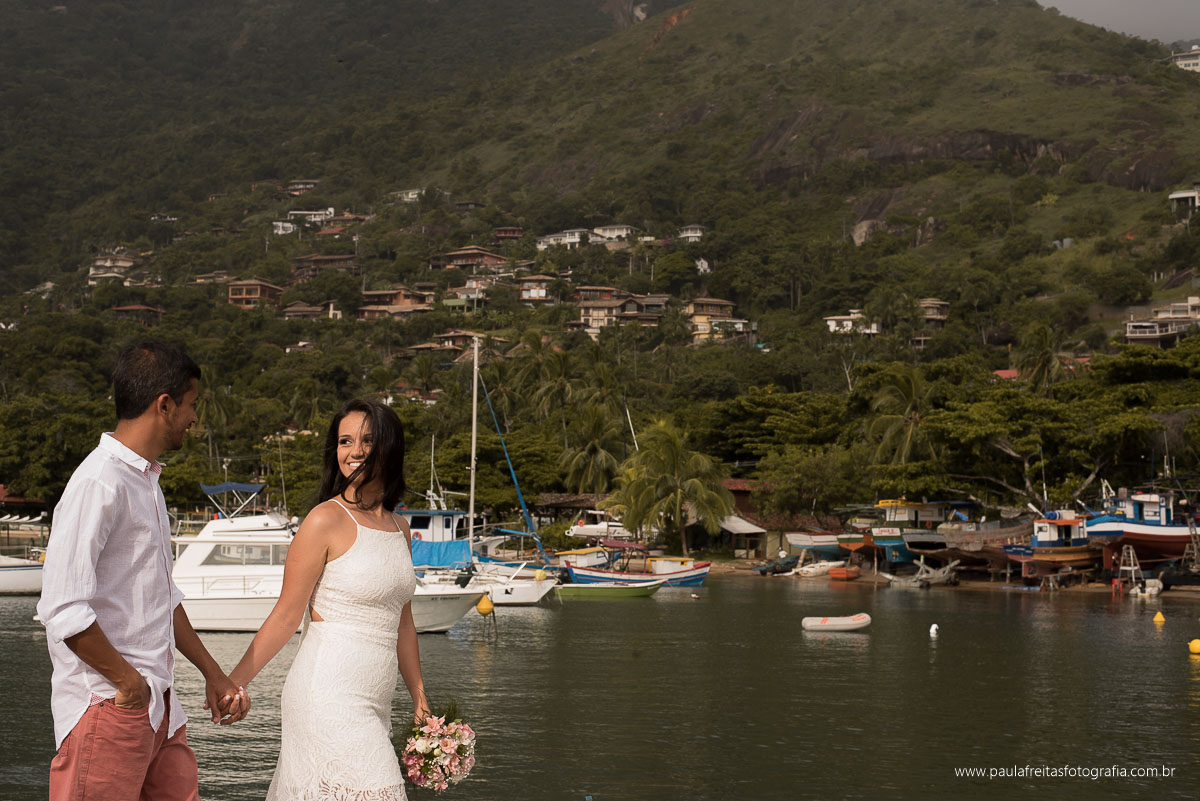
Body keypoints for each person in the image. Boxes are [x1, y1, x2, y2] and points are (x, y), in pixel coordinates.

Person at [37, 339, 249, 801]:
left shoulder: (146, 481)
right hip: (110, 703)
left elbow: (162, 598)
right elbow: (62, 607)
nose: (194, 417)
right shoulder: (98, 482)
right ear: (164, 405)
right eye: (191, 404)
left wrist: (213, 673)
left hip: (160, 707)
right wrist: (127, 681)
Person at [228, 398, 429, 800]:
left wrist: (420, 700)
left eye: (367, 440)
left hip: (377, 702)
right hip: (327, 694)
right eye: (345, 441)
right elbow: (286, 615)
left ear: (390, 446)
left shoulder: (400, 528)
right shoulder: (324, 519)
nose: (354, 451)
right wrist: (232, 683)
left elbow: (403, 624)